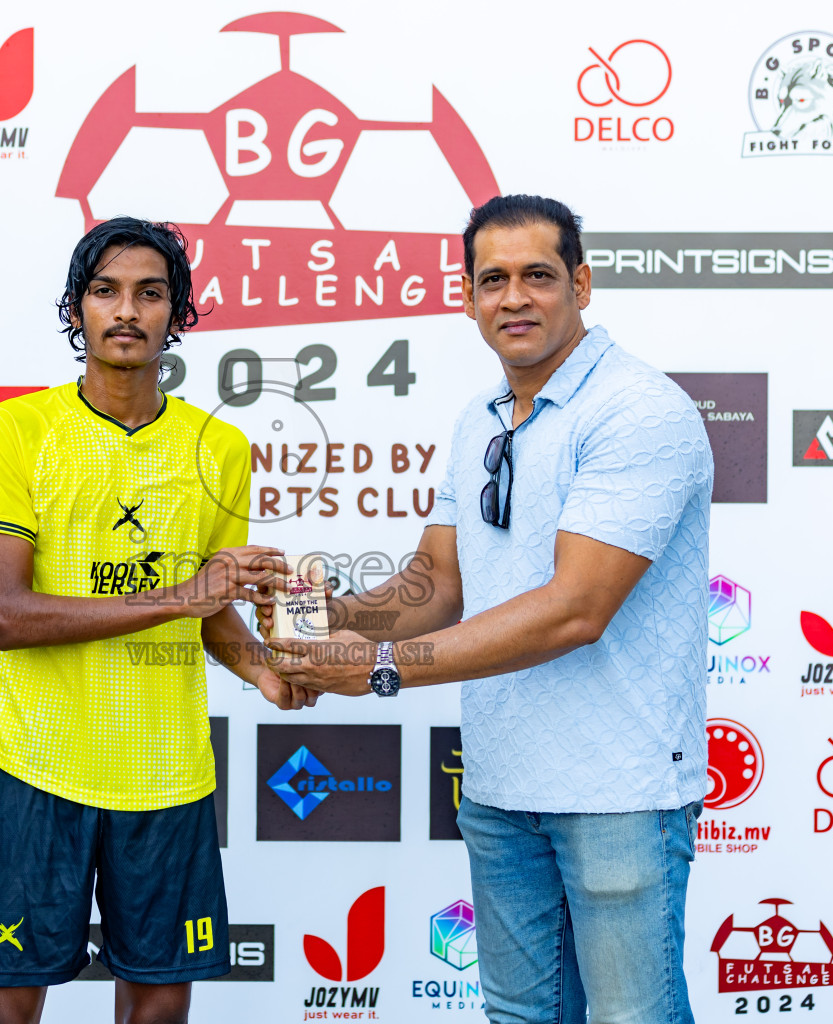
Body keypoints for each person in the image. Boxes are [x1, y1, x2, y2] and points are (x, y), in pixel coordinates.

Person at [264, 195, 713, 1024]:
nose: (514, 298)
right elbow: (438, 581)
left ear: (580, 283)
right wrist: (319, 619)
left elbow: (574, 610)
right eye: (493, 279)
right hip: (502, 789)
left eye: (538, 276)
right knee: (520, 1017)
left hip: (618, 791)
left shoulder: (637, 411)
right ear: (468, 295)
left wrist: (385, 667)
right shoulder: (481, 418)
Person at [0, 217, 309, 1024]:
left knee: (157, 1013)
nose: (126, 311)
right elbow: (10, 616)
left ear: (176, 314)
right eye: (105, 291)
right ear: (76, 308)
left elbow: (216, 614)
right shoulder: (15, 432)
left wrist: (266, 671)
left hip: (166, 772)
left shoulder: (217, 446)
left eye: (150, 294)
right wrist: (185, 595)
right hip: (38, 764)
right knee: (1, 1013)